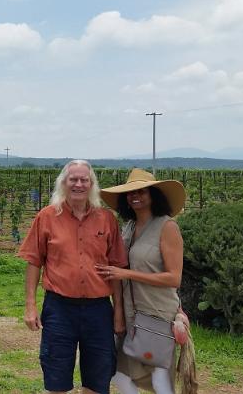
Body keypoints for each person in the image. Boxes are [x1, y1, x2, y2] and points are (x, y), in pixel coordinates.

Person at [18, 160, 128, 394]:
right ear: (63, 183)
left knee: (98, 379)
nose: (79, 184)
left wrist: (118, 312)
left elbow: (116, 268)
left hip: (99, 310)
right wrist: (30, 305)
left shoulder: (107, 219)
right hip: (59, 309)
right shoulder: (46, 217)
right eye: (73, 179)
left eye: (84, 180)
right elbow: (34, 261)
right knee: (56, 376)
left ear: (92, 184)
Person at [96, 168, 188, 394]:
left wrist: (127, 274)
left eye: (141, 191)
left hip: (156, 313)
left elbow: (174, 278)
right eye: (130, 193)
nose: (135, 196)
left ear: (153, 195)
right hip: (131, 313)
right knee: (121, 373)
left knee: (159, 378)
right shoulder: (129, 227)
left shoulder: (167, 227)